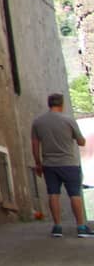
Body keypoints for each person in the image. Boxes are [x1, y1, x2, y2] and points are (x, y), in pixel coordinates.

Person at [31, 93, 90, 238]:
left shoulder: (38, 122)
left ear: (49, 104)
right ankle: (81, 227)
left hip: (49, 164)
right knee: (75, 195)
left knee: (53, 194)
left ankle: (57, 227)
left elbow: (35, 145)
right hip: (69, 164)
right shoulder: (68, 120)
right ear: (62, 104)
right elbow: (81, 142)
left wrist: (38, 163)